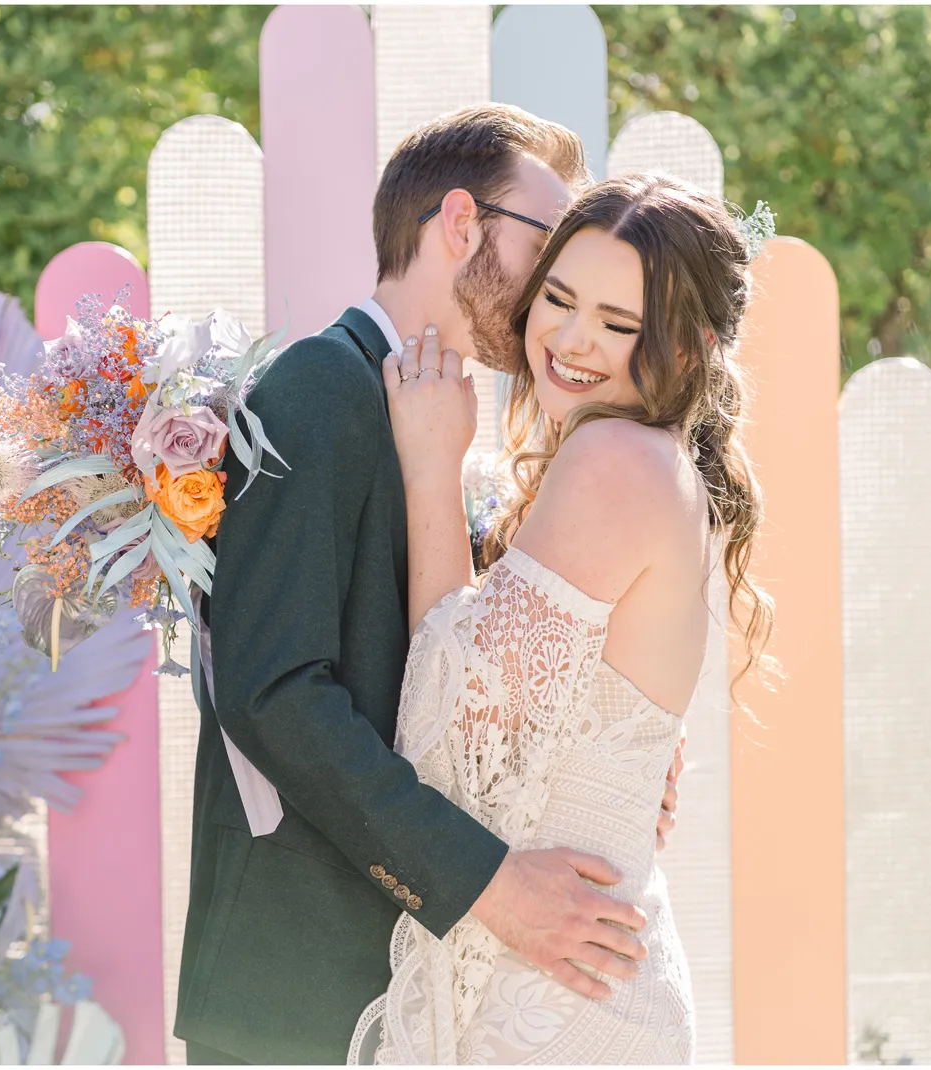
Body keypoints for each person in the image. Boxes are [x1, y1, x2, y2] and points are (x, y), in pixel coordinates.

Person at [174, 106, 686, 1065]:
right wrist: (487, 884)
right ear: (461, 223)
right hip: (299, 995)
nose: (557, 286)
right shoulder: (320, 386)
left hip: (411, 991)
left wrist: (604, 742)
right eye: (548, 243)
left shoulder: (436, 426)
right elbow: (273, 693)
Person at [352, 172, 775, 1063]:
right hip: (581, 974)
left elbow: (449, 728)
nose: (573, 340)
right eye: (560, 299)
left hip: (556, 998)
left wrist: (430, 469)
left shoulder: (615, 460)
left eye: (619, 325)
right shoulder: (652, 463)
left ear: (689, 351)